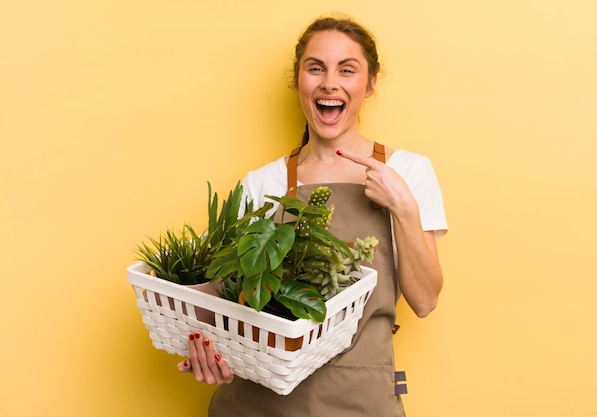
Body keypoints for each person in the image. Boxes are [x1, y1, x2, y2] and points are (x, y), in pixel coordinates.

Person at [177, 15, 447, 416]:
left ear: (370, 84)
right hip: (259, 403)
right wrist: (204, 348)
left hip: (362, 401)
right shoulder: (261, 182)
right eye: (315, 68)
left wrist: (403, 206)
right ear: (297, 81)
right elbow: (223, 300)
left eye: (347, 69)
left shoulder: (406, 172)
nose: (329, 83)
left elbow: (424, 301)